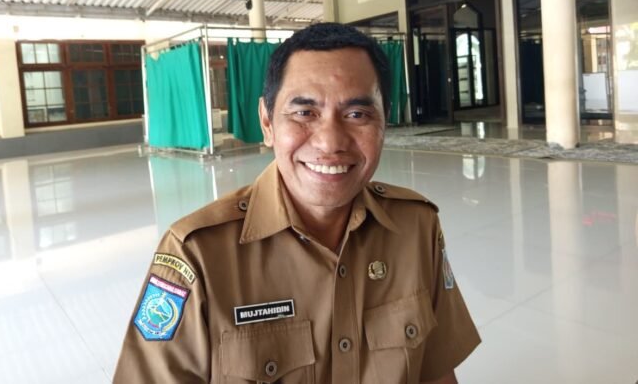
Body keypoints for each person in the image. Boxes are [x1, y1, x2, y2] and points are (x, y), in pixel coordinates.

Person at [113, 22, 480, 383]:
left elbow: (435, 371)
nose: (330, 142)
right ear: (267, 122)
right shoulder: (197, 254)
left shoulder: (416, 226)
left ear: (385, 121)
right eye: (305, 113)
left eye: (357, 114)